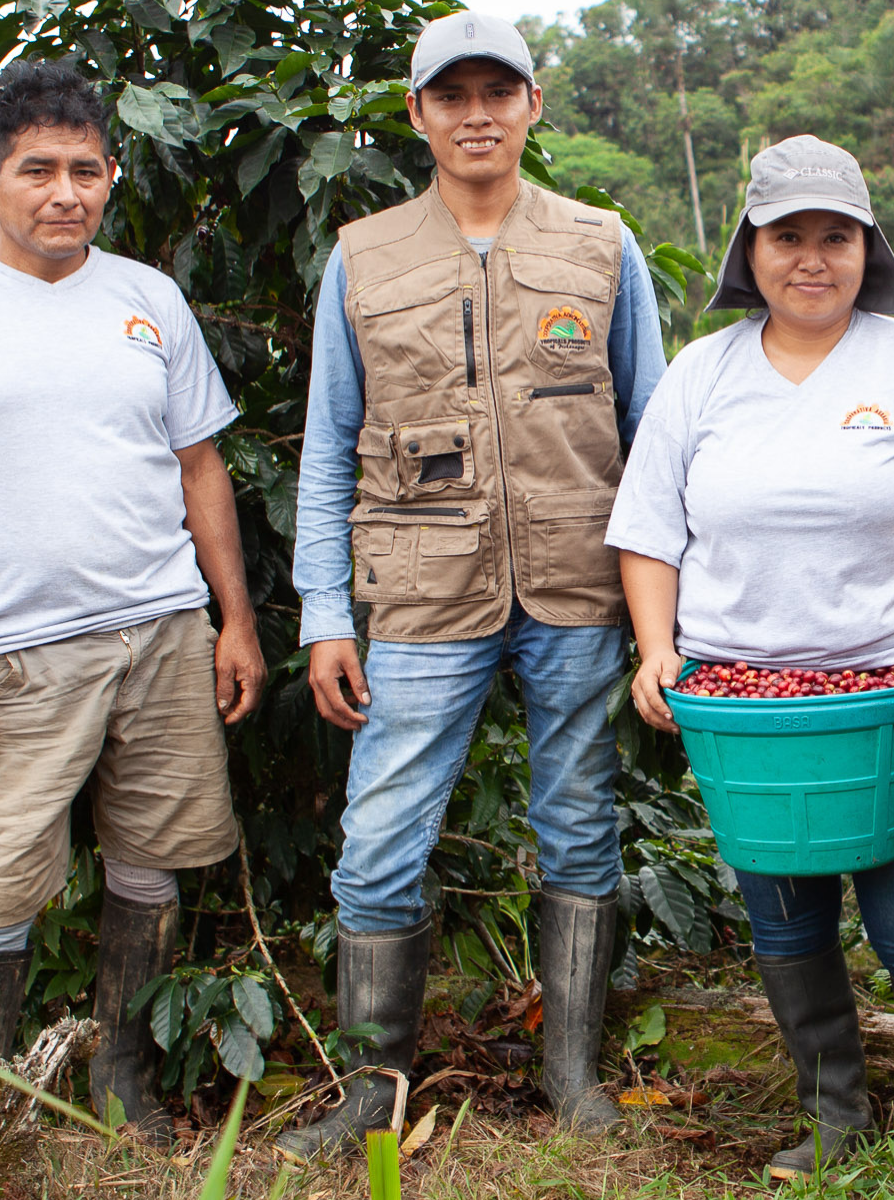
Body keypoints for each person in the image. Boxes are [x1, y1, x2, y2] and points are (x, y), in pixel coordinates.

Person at [0, 60, 266, 1198]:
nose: (63, 192)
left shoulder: (148, 298)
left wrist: (233, 621)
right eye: (37, 171)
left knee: (151, 858)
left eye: (84, 170)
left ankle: (119, 1075)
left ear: (111, 177)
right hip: (15, 650)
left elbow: (199, 467)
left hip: (164, 629)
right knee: (0, 886)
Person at [277, 10, 668, 1160]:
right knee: (379, 837)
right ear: (418, 115)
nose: (477, 114)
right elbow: (324, 445)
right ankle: (369, 1095)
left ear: (533, 106)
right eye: (452, 96)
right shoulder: (363, 255)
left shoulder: (601, 244)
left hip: (576, 584)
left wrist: (664, 608)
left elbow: (653, 431)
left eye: (499, 91)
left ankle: (573, 1075)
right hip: (417, 596)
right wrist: (323, 613)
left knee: (579, 825)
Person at [607, 135, 894, 1183]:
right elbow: (648, 531)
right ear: (753, 248)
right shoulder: (704, 374)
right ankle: (833, 1114)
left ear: (867, 248)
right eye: (789, 237)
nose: (812, 259)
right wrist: (658, 652)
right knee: (784, 915)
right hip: (748, 706)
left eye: (836, 236)